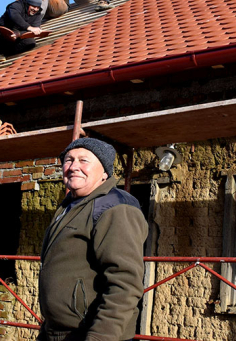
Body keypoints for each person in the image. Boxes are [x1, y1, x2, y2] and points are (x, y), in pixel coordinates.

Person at [38, 138, 148, 341]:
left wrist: (100, 337)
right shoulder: (71, 206)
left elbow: (125, 283)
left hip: (91, 334)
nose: (73, 166)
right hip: (58, 333)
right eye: (69, 160)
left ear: (104, 173)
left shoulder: (115, 208)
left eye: (84, 160)